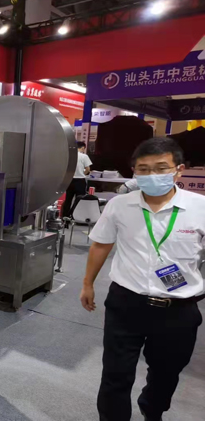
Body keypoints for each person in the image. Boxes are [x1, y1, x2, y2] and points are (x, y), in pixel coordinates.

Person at [80, 137, 204, 421]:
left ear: (179, 170)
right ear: (134, 171)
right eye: (143, 169)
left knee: (165, 374)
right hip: (126, 303)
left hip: (178, 309)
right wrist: (87, 283)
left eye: (161, 168)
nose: (152, 175)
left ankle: (152, 411)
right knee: (115, 374)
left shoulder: (201, 207)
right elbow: (101, 244)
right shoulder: (119, 205)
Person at [63, 141, 93, 219]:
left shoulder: (69, 156)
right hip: (80, 181)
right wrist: (83, 173)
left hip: (70, 180)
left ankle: (64, 216)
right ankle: (73, 215)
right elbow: (87, 169)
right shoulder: (84, 156)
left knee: (68, 199)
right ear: (82, 148)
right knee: (79, 199)